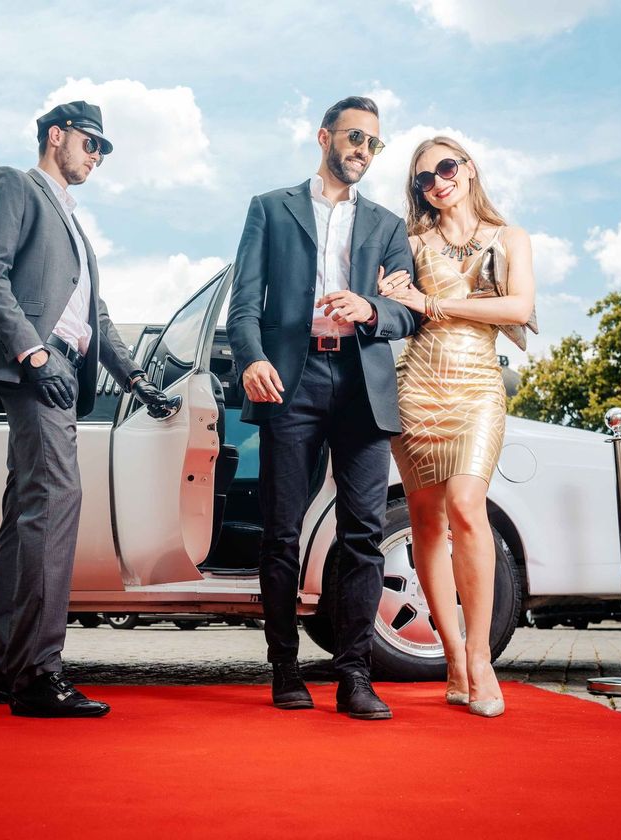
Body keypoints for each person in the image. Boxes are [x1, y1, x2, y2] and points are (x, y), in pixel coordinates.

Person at [0, 100, 173, 718]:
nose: (97, 156)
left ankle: (5, 670)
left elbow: (95, 318)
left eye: (103, 148)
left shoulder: (75, 226)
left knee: (29, 516)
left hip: (59, 367)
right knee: (54, 510)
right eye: (90, 143)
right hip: (36, 367)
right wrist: (32, 353)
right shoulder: (16, 185)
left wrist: (133, 376)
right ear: (56, 137)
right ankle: (38, 675)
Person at [228, 96, 418, 720]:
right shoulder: (270, 209)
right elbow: (243, 305)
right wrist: (252, 358)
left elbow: (408, 309)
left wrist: (372, 310)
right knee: (282, 530)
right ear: (323, 137)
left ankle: (355, 675)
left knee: (363, 531)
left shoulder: (389, 226)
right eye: (354, 137)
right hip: (291, 377)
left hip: (362, 380)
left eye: (374, 143)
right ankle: (284, 668)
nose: (363, 150)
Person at [378, 136, 537, 718]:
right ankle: (452, 655)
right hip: (417, 386)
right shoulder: (411, 242)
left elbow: (517, 310)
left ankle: (479, 657)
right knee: (425, 520)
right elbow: (396, 309)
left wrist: (432, 304)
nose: (438, 181)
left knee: (469, 507)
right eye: (424, 178)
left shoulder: (510, 237)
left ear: (468, 169)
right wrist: (394, 298)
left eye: (447, 168)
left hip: (476, 388)